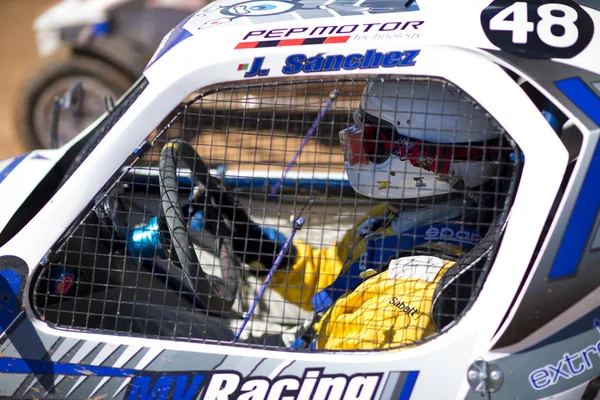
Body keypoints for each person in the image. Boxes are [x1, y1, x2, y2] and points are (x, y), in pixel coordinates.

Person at [196, 77, 510, 350]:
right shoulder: (398, 220)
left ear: (425, 160)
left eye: (372, 134)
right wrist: (263, 250)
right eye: (359, 122)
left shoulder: (405, 301)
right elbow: (336, 280)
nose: (353, 138)